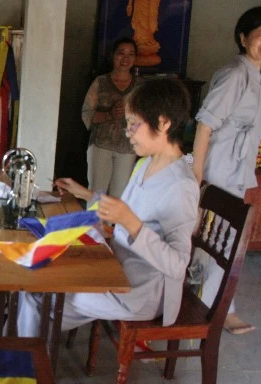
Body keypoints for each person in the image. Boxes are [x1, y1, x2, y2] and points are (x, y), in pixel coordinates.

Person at [18, 78, 199, 337]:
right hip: (116, 268)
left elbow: (178, 265)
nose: (127, 132)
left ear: (163, 123)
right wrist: (86, 194)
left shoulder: (181, 185)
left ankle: (23, 355)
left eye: (134, 124)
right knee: (39, 283)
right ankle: (22, 347)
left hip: (141, 292)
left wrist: (131, 223)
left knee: (41, 295)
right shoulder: (146, 164)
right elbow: (125, 211)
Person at [192, 6, 261, 335]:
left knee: (222, 241)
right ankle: (210, 310)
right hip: (218, 171)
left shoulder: (259, 75)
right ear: (243, 38)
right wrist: (197, 176)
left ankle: (214, 308)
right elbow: (204, 126)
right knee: (215, 240)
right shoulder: (236, 73)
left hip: (236, 172)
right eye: (260, 35)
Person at [82, 37, 143, 199]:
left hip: (128, 147)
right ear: (113, 56)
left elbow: (146, 118)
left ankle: (113, 219)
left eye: (130, 54)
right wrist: (109, 114)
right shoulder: (101, 82)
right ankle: (93, 218)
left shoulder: (140, 86)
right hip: (101, 145)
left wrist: (130, 115)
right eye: (121, 53)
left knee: (120, 195)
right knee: (96, 193)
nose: (125, 58)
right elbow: (87, 114)